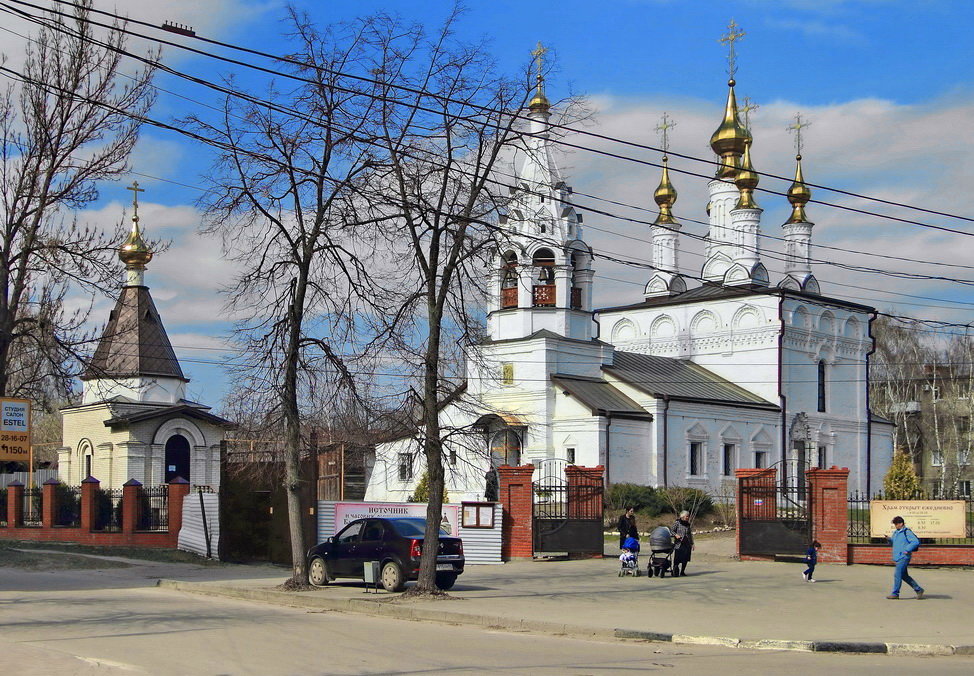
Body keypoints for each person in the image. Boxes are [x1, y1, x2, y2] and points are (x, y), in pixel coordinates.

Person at [887, 516, 924, 600]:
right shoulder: (896, 532)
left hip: (904, 556)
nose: (895, 526)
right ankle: (918, 589)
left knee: (897, 574)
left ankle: (895, 593)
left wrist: (907, 549)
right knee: (904, 575)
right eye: (894, 524)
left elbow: (915, 542)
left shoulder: (906, 532)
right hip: (898, 556)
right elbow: (893, 543)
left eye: (896, 524)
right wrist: (889, 539)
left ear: (901, 523)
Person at [670, 510, 694, 577]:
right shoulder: (677, 523)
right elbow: (671, 530)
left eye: (688, 516)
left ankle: (682, 571)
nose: (687, 517)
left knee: (685, 558)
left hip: (687, 544)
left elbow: (690, 534)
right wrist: (676, 535)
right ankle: (675, 570)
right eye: (687, 516)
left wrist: (692, 544)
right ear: (683, 516)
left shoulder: (688, 524)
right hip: (679, 543)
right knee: (677, 558)